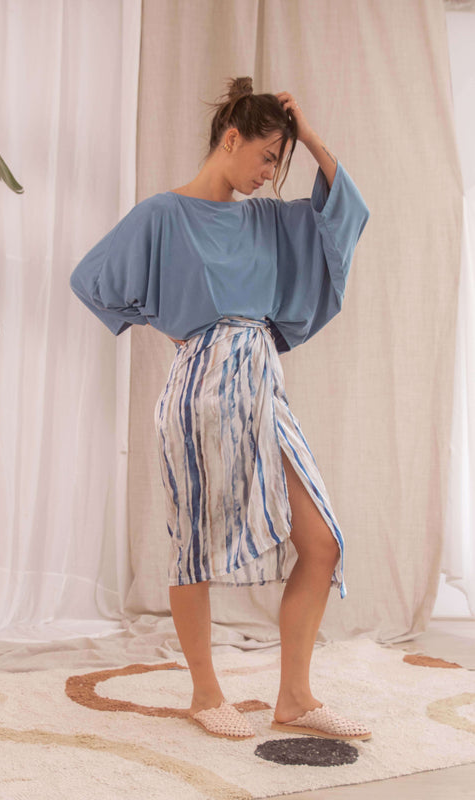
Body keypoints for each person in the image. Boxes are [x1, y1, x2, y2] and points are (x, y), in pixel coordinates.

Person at [70, 76, 371, 742]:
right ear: (229, 138)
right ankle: (205, 692)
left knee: (320, 542)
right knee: (193, 546)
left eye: (279, 162)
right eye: (266, 155)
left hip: (264, 382)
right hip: (201, 386)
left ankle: (293, 696)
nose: (269, 174)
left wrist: (308, 134)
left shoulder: (267, 219)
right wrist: (167, 317)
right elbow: (91, 279)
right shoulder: (162, 214)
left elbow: (342, 216)